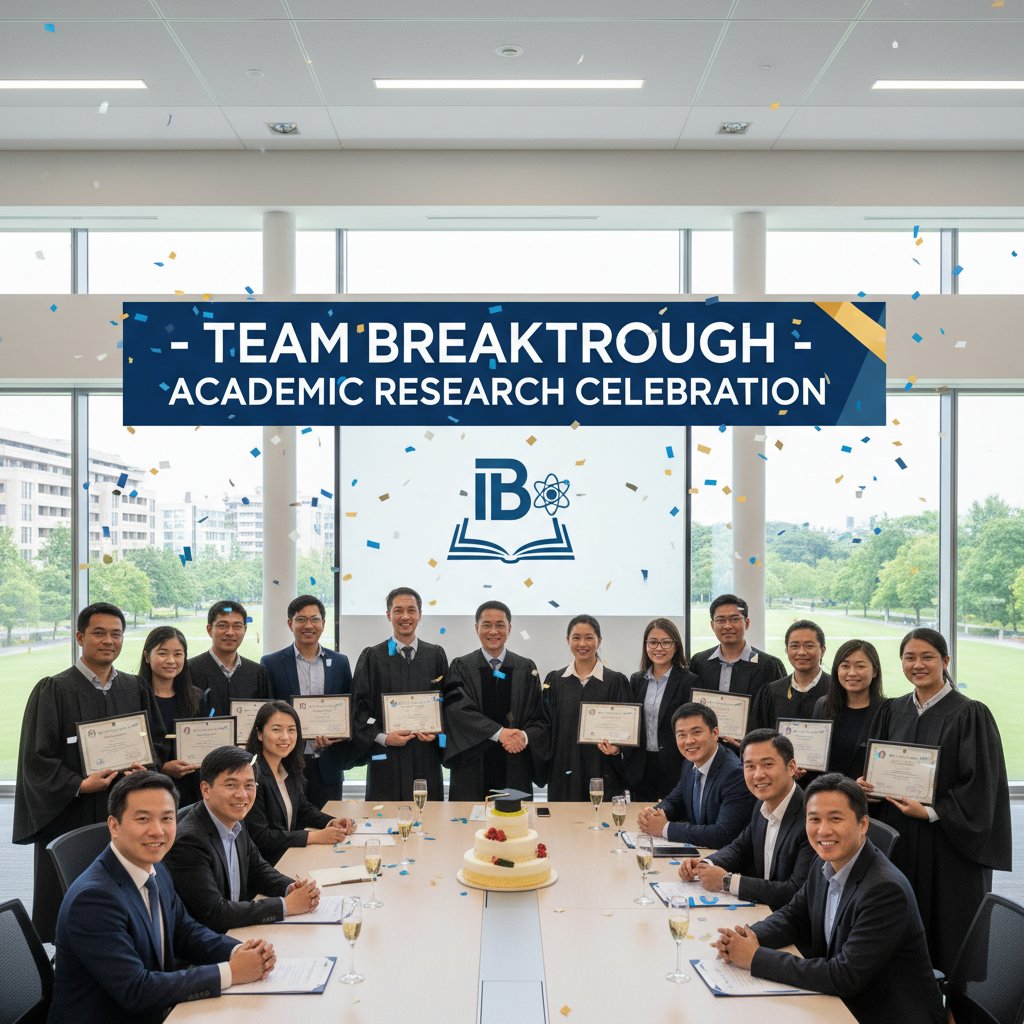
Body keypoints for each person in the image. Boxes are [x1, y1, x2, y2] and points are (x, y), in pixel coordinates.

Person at [713, 774, 944, 1024]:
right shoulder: (823, 861)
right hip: (839, 1003)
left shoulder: (885, 890)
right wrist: (747, 937)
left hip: (881, 1013)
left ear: (862, 824)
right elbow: (794, 916)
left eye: (835, 818)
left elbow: (843, 976)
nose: (823, 830)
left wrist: (754, 957)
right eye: (814, 819)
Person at [49, 771, 275, 1024]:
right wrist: (231, 971)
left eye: (167, 818)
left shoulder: (155, 868)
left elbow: (185, 931)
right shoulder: (93, 900)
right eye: (143, 819)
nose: (157, 831)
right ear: (114, 826)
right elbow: (136, 990)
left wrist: (237, 950)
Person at [858, 627, 1011, 974]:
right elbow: (877, 766)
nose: (918, 665)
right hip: (899, 836)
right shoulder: (892, 710)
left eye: (927, 657)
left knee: (950, 934)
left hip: (948, 844)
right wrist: (867, 786)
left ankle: (954, 1000)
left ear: (945, 661)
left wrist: (931, 812)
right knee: (898, 928)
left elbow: (981, 786)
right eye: (909, 658)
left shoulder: (971, 714)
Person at [13, 601, 164, 943]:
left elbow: (154, 742)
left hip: (125, 811)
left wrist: (143, 768)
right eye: (99, 633)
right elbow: (37, 759)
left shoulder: (134, 687)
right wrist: (80, 784)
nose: (108, 640)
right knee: (74, 892)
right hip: (73, 812)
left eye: (116, 634)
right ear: (80, 637)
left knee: (125, 899)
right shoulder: (53, 690)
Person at [163, 746, 321, 933]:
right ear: (206, 789)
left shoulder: (235, 819)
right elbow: (215, 913)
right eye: (231, 785)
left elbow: (258, 870)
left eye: (249, 785)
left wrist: (290, 887)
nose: (242, 795)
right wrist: (285, 905)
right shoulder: (188, 841)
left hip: (240, 930)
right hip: (214, 939)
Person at [678, 729, 814, 909]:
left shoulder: (811, 818)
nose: (758, 775)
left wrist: (728, 882)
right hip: (763, 911)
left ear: (791, 767)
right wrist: (705, 864)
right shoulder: (762, 804)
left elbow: (795, 891)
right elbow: (740, 848)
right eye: (750, 766)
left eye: (767, 764)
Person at [442, 601, 549, 800]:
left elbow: (539, 716)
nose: (493, 631)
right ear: (476, 628)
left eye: (500, 625)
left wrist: (523, 737)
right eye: (486, 625)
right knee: (469, 818)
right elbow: (456, 711)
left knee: (514, 819)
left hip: (515, 765)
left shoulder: (526, 668)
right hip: (472, 766)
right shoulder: (461, 666)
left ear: (509, 628)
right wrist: (499, 733)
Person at [351, 587, 449, 801]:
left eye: (411, 610)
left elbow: (448, 705)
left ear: (420, 615)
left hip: (426, 755)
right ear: (389, 615)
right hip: (386, 757)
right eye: (398, 611)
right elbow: (359, 709)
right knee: (385, 814)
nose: (405, 616)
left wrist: (437, 734)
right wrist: (384, 738)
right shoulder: (372, 657)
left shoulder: (435, 655)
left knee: (428, 815)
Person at [261, 594, 354, 807]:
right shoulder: (271, 664)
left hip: (328, 765)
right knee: (287, 822)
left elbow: (348, 709)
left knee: (328, 821)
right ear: (290, 624)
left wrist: (338, 734)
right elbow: (266, 713)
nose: (308, 625)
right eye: (301, 620)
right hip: (284, 764)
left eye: (314, 619)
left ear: (323, 623)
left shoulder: (340, 662)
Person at [244, 701, 356, 865]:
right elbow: (262, 836)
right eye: (276, 730)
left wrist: (331, 822)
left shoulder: (287, 767)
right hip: (265, 866)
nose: (285, 737)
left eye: (291, 730)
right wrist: (314, 836)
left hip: (288, 856)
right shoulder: (251, 774)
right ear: (259, 734)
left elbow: (303, 809)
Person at [542, 614, 638, 801]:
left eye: (589, 637)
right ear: (567, 640)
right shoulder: (554, 681)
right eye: (576, 637)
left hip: (603, 767)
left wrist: (617, 748)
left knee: (602, 816)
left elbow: (627, 730)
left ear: (599, 640)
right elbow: (545, 725)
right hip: (563, 768)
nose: (582, 644)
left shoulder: (616, 681)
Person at [636, 702, 753, 846]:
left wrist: (665, 828)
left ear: (715, 733)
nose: (689, 741)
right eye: (681, 735)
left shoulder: (735, 774)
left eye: (696, 732)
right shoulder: (689, 763)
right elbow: (675, 801)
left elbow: (724, 834)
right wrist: (652, 814)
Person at [688, 594, 786, 746]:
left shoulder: (769, 665)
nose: (727, 626)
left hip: (752, 750)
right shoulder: (699, 662)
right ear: (712, 625)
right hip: (707, 748)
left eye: (734, 619)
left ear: (746, 623)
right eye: (720, 620)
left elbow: (777, 714)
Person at [630, 618, 699, 801]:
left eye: (666, 642)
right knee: (641, 814)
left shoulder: (689, 681)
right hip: (642, 765)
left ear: (676, 646)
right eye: (653, 642)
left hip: (675, 764)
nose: (659, 648)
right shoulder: (637, 680)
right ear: (646, 645)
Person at [138, 625, 207, 805]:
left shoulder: (196, 697)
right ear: (147, 656)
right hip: (149, 788)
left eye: (178, 654)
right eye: (162, 653)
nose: (171, 660)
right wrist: (162, 768)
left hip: (191, 788)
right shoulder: (135, 696)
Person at [812, 639, 885, 779]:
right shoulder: (823, 705)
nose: (852, 673)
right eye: (845, 666)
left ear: (874, 671)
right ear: (837, 670)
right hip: (826, 789)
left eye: (860, 666)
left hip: (863, 792)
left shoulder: (886, 711)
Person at [188, 600, 272, 717]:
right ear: (209, 629)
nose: (230, 632)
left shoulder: (257, 672)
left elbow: (266, 717)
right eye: (222, 626)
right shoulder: (190, 670)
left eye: (237, 626)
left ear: (245, 629)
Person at [752, 619, 830, 732]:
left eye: (809, 646)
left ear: (822, 650)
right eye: (794, 646)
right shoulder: (772, 692)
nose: (801, 652)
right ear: (787, 650)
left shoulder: (836, 690)